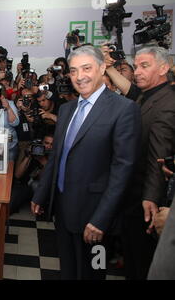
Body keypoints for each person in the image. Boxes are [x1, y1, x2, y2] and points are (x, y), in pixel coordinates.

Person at [31, 45, 141, 280]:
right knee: (69, 271)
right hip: (63, 209)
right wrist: (41, 195)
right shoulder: (68, 109)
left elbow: (123, 170)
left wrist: (101, 220)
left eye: (86, 68)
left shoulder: (124, 109)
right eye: (73, 71)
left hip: (96, 218)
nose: (80, 77)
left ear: (102, 68)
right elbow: (57, 157)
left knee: (94, 271)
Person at [121, 46, 175, 280]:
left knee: (143, 262)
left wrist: (150, 197)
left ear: (164, 68)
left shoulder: (167, 103)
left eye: (145, 66)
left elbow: (158, 154)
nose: (137, 72)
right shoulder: (147, 95)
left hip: (145, 199)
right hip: (132, 193)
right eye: (136, 67)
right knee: (133, 258)